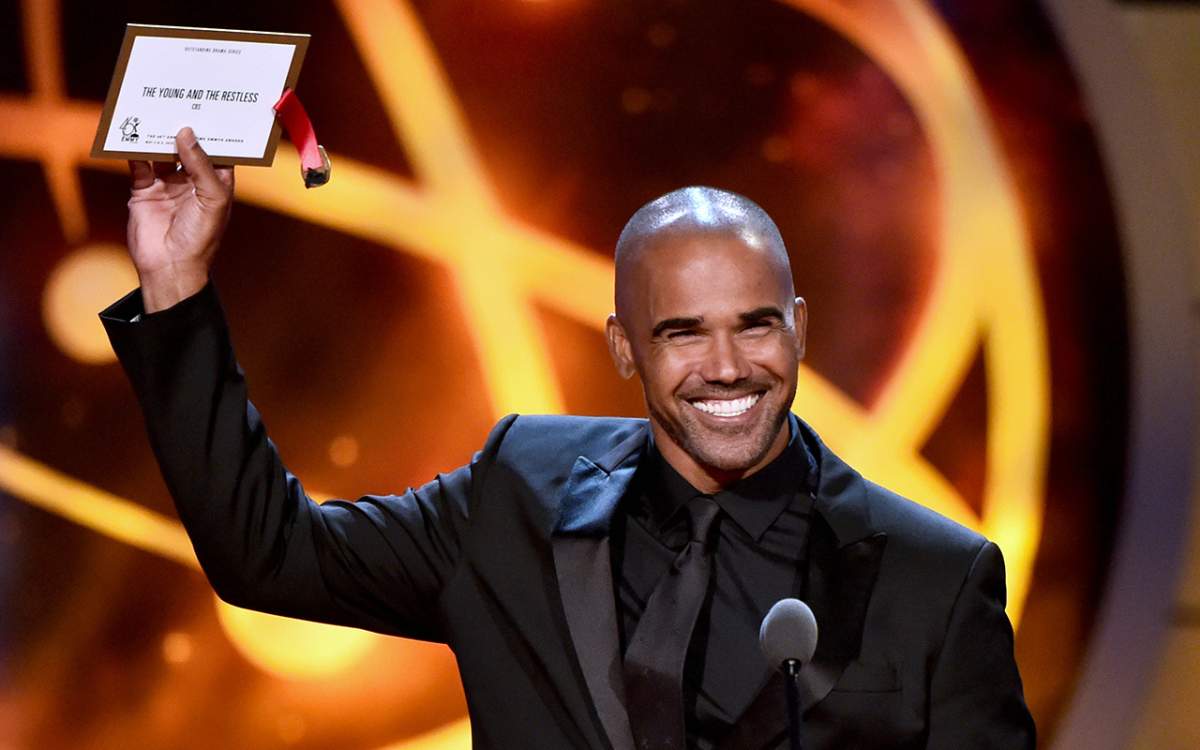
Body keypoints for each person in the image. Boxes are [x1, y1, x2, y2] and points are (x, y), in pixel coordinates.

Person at [101, 129, 1035, 749]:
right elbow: (269, 555)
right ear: (625, 348)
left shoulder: (936, 578)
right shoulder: (520, 490)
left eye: (755, 326)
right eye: (682, 333)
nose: (727, 367)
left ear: (798, 329)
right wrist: (176, 284)